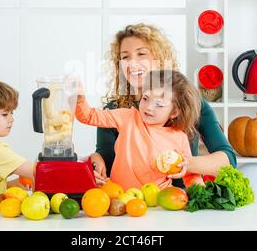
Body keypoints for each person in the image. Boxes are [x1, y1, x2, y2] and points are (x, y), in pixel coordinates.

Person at [92, 23, 237, 187]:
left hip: (180, 203)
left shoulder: (192, 103)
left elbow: (227, 159)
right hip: (131, 203)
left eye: (141, 54)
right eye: (125, 57)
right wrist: (96, 161)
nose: (132, 63)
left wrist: (186, 163)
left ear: (159, 58)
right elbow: (107, 160)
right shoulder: (113, 110)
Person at [75, 70, 200, 190]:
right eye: (145, 98)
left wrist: (200, 193)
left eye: (159, 104)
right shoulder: (128, 117)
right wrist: (80, 99)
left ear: (174, 112)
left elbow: (189, 173)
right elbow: (89, 116)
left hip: (159, 201)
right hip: (120, 197)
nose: (149, 107)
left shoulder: (179, 138)